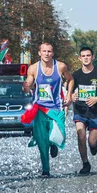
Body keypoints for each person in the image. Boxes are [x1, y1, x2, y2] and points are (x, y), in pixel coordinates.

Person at [22, 42, 74, 177]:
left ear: (53, 53)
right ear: (39, 53)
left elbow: (71, 79)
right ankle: (46, 169)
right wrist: (26, 87)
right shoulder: (33, 68)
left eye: (49, 51)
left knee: (60, 134)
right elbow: (29, 83)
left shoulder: (61, 66)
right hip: (40, 108)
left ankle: (53, 144)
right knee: (41, 139)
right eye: (44, 51)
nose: (47, 54)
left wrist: (68, 95)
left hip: (56, 108)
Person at [71, 47, 97, 175]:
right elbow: (69, 92)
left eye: (88, 55)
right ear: (79, 58)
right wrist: (72, 96)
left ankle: (93, 146)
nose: (86, 58)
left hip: (95, 112)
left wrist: (96, 99)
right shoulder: (75, 75)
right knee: (80, 134)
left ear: (93, 57)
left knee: (92, 142)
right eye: (83, 56)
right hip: (80, 111)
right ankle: (85, 163)